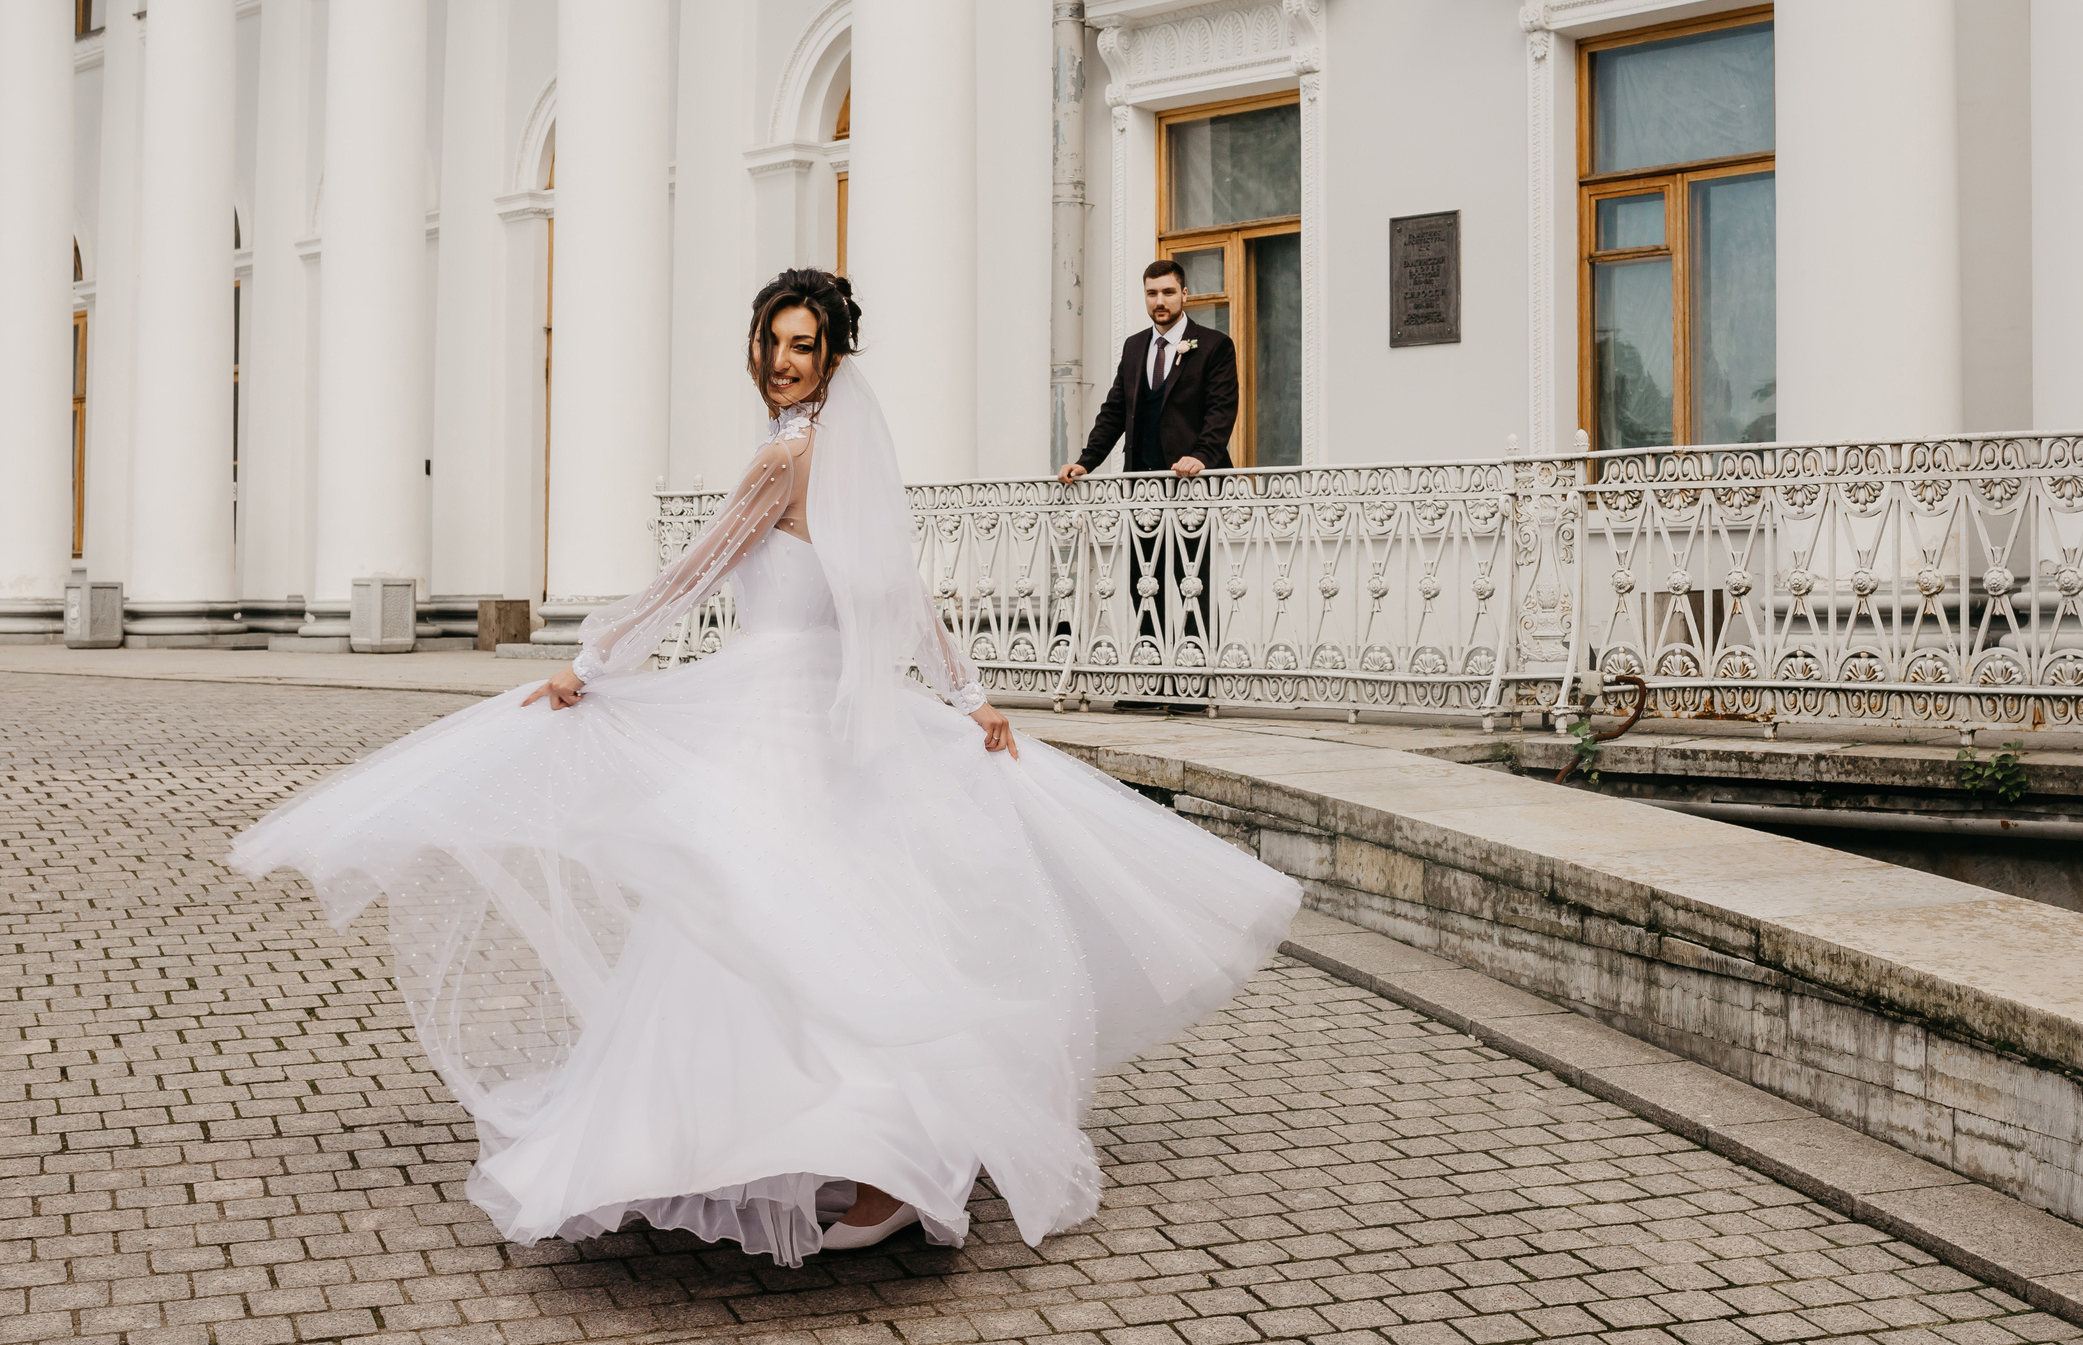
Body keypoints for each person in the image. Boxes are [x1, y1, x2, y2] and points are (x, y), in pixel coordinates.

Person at [228, 268, 1299, 1266]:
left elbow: (694, 575)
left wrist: (592, 660)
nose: (784, 360)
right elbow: (901, 595)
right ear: (756, 346)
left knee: (772, 924)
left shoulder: (790, 455)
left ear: (831, 359)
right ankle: (843, 1157)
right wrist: (966, 694)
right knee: (813, 929)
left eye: (803, 347)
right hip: (825, 717)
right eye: (773, 343)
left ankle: (853, 1164)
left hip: (788, 718)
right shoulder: (838, 453)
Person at [1059, 260, 1238, 652]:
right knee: (1144, 579)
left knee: (1192, 580)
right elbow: (1114, 410)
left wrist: (1202, 457)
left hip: (1192, 485)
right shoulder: (1135, 346)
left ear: (1185, 294)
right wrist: (1086, 460)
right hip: (1140, 483)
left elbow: (1221, 411)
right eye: (1152, 293)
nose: (1160, 301)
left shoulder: (1214, 346)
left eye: (1168, 292)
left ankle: (1193, 676)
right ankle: (1147, 673)